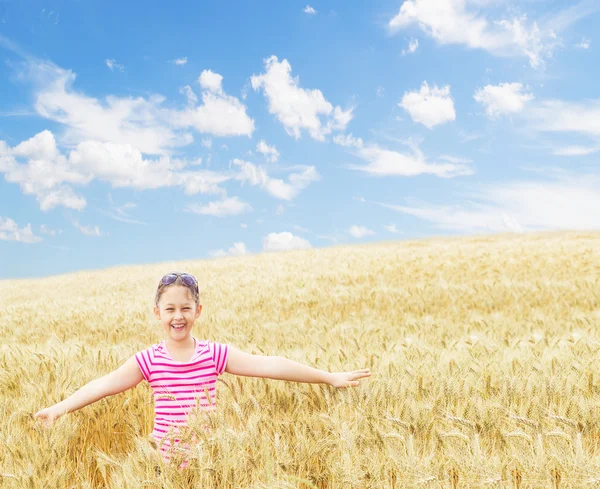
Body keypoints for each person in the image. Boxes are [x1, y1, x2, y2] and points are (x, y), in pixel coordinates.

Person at [34, 271, 371, 464]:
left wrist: (329, 378)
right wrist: (58, 409)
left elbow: (270, 364)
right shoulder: (148, 360)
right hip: (164, 467)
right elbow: (102, 385)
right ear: (157, 313)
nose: (177, 316)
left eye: (185, 308)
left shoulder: (214, 354)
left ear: (198, 310)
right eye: (169, 309)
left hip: (210, 462)